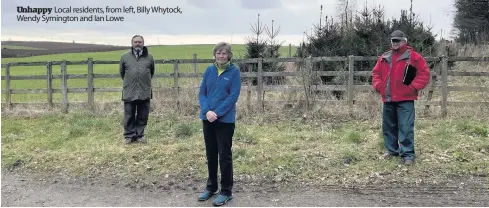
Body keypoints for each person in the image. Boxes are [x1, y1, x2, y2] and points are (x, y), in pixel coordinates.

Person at [371, 30, 431, 165]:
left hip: (406, 99)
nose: (395, 43)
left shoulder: (414, 57)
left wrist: (412, 87)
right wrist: (379, 86)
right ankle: (392, 151)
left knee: (406, 127)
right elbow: (376, 74)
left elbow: (424, 75)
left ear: (405, 41)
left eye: (398, 40)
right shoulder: (384, 57)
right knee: (388, 126)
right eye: (393, 40)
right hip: (388, 98)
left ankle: (408, 155)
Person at [197, 42, 241, 206]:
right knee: (210, 154)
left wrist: (217, 113)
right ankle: (211, 187)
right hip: (207, 118)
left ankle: (226, 191)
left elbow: (233, 97)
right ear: (214, 54)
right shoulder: (209, 70)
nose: (221, 56)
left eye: (224, 53)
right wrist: (207, 111)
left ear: (229, 55)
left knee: (224, 155)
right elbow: (202, 93)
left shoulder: (234, 72)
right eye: (218, 53)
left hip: (225, 120)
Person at [119, 35, 155, 144]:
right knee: (129, 114)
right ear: (132, 43)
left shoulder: (149, 57)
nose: (137, 44)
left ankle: (140, 135)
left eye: (140, 42)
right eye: (135, 42)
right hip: (129, 90)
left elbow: (152, 72)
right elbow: (122, 73)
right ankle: (129, 136)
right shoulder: (125, 57)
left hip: (144, 90)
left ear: (143, 43)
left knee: (143, 114)